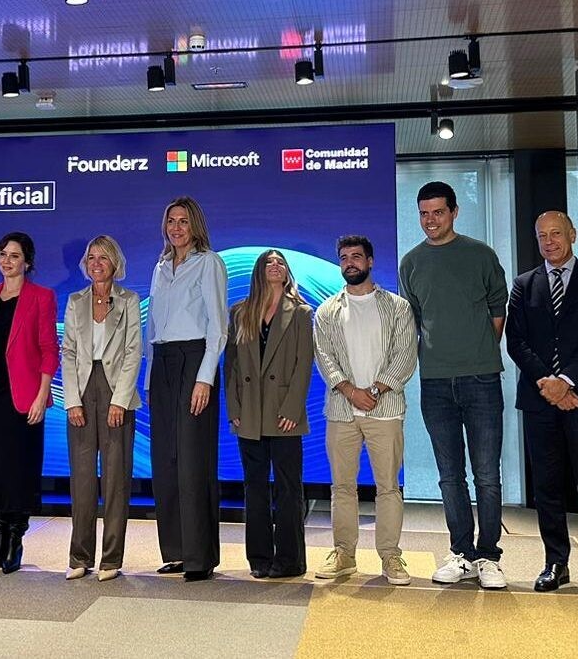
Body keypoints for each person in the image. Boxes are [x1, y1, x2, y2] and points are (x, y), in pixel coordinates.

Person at [398, 181, 510, 590]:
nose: (430, 221)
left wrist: (476, 353)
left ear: (455, 212)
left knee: (487, 475)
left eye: (438, 213)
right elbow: (412, 321)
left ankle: (490, 556)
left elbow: (498, 311)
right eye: (424, 214)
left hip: (482, 379)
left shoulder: (481, 255)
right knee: (450, 475)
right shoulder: (411, 263)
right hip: (435, 383)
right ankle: (461, 553)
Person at [505, 211, 578, 596]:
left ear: (572, 234)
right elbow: (516, 341)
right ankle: (556, 562)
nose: (549, 241)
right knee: (548, 487)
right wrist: (546, 384)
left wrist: (566, 382)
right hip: (539, 402)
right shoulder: (523, 284)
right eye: (541, 236)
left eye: (556, 234)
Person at [313, 234, 418, 585]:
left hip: (384, 410)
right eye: (344, 258)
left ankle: (391, 558)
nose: (349, 263)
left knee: (388, 487)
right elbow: (324, 357)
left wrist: (372, 391)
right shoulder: (327, 310)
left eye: (356, 257)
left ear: (370, 261)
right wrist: (349, 390)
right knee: (342, 487)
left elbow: (405, 357)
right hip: (342, 411)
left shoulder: (397, 307)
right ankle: (344, 554)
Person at [0, 232, 58, 574]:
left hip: (25, 397)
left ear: (27, 262)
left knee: (20, 470)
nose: (7, 260)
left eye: (15, 255)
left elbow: (50, 350)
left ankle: (15, 540)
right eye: (3, 254)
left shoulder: (41, 297)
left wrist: (41, 395)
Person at [147, 195, 227, 581]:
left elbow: (218, 325)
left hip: (194, 360)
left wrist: (204, 377)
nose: (176, 227)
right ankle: (176, 551)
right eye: (171, 221)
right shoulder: (160, 267)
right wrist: (148, 379)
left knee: (194, 461)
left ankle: (200, 557)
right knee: (167, 461)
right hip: (161, 364)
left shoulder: (208, 262)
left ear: (195, 225)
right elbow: (152, 329)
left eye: (183, 221)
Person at [225, 249, 314, 580]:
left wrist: (292, 407)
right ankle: (260, 558)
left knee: (289, 488)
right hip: (249, 412)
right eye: (268, 262)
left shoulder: (302, 313)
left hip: (283, 413)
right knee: (255, 487)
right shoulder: (241, 313)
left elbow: (304, 364)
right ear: (259, 272)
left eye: (280, 262)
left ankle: (290, 560)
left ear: (286, 271)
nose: (274, 266)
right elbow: (231, 366)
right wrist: (234, 409)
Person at [60, 235, 142, 581]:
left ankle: (110, 559)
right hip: (82, 390)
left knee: (115, 480)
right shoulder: (75, 300)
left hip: (115, 392)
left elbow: (133, 351)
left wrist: (120, 400)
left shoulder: (129, 300)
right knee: (81, 479)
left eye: (103, 258)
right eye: (91, 257)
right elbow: (68, 352)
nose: (96, 263)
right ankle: (79, 557)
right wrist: (72, 401)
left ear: (115, 263)